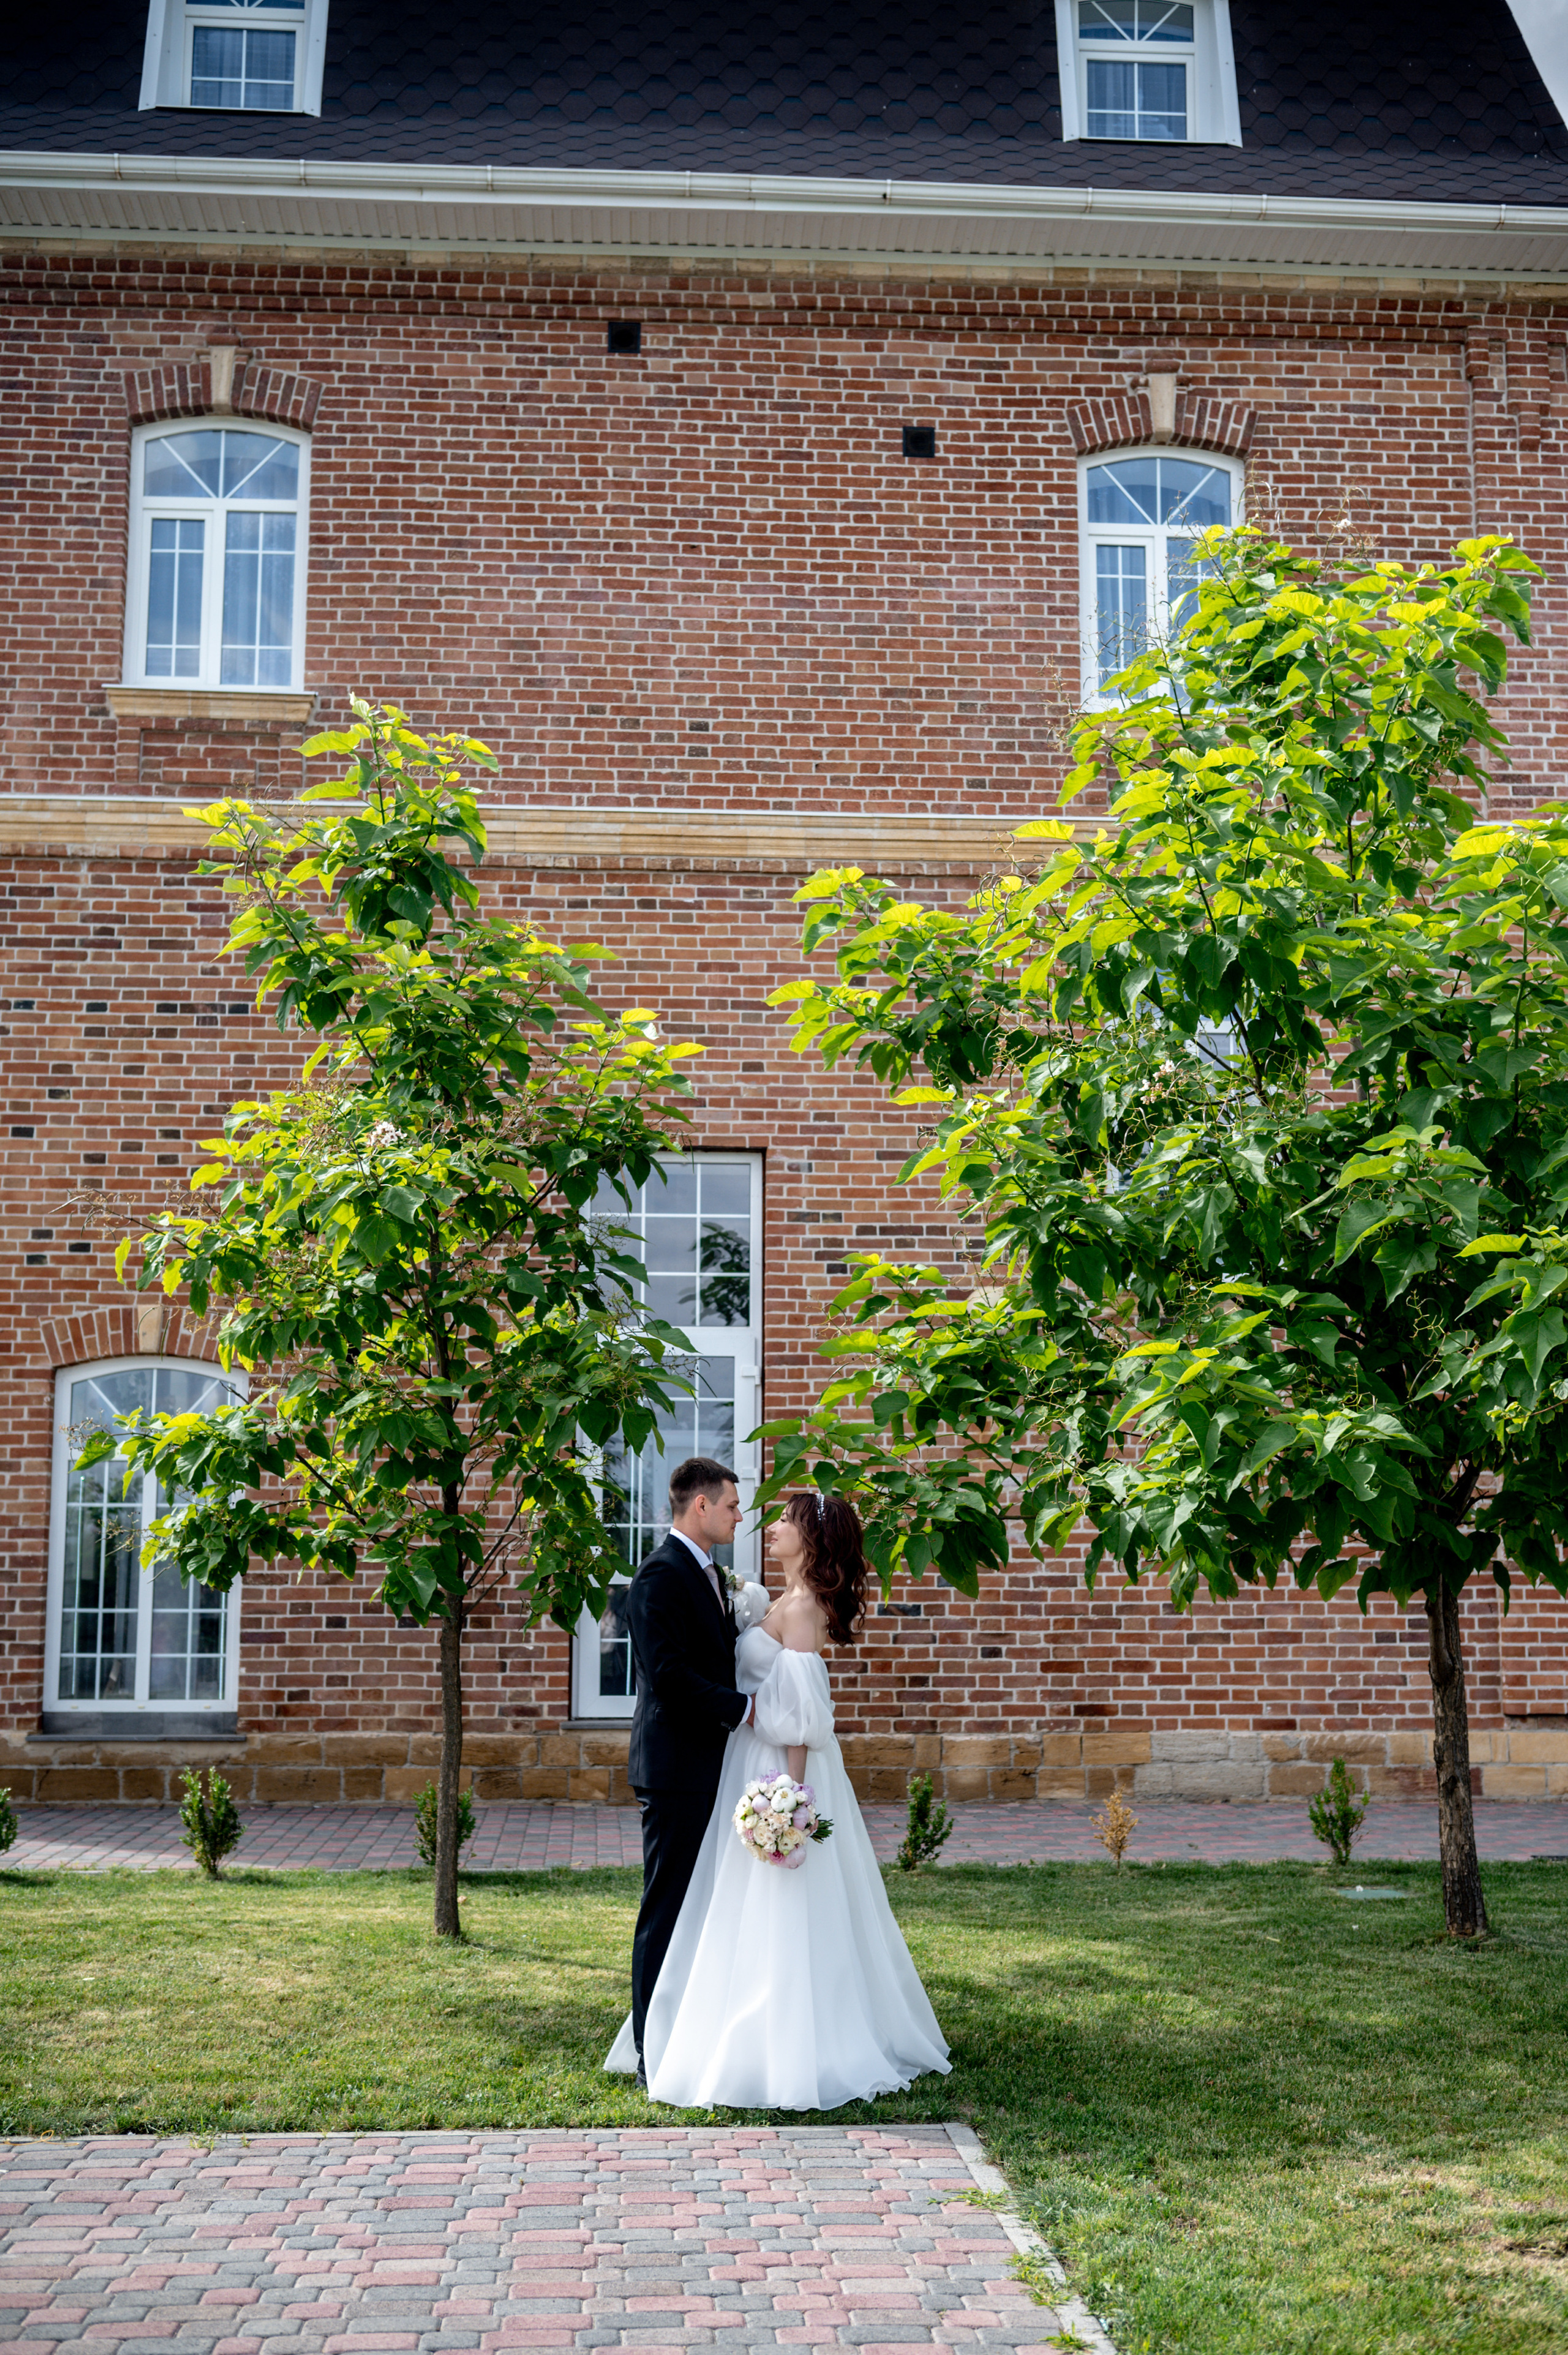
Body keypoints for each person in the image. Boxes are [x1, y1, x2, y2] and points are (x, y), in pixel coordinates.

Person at [606, 1486, 951, 2110]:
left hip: (771, 1772)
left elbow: (800, 1721)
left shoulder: (803, 1608)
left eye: (784, 1522)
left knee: (773, 1905)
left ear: (810, 1539)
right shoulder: (777, 1600)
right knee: (726, 1903)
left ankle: (783, 2039)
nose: (768, 1528)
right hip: (743, 1763)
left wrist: (788, 1802)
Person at [620, 1456, 756, 2085]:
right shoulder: (659, 1575)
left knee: (699, 1907)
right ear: (700, 1505)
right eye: (731, 1504)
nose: (739, 1515)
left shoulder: (707, 1573)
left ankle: (689, 2033)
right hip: (675, 1769)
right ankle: (650, 2050)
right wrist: (743, 1708)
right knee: (667, 1908)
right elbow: (669, 1676)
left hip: (709, 1765)